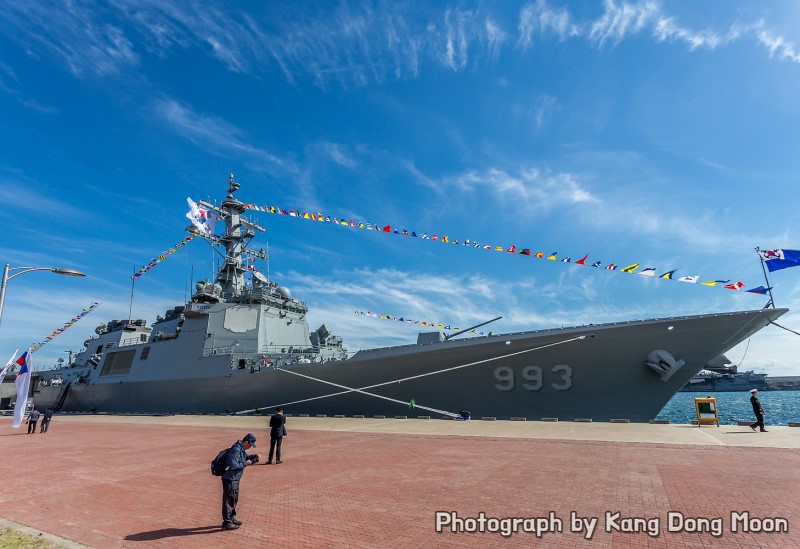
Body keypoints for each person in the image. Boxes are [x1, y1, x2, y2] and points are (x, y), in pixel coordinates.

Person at [221, 433, 261, 530]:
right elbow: (233, 465)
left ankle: (231, 517)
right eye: (250, 444)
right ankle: (227, 522)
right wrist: (246, 463)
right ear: (245, 442)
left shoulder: (241, 448)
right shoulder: (236, 449)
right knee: (229, 500)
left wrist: (254, 457)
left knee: (234, 499)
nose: (250, 446)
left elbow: (245, 458)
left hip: (235, 479)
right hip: (230, 479)